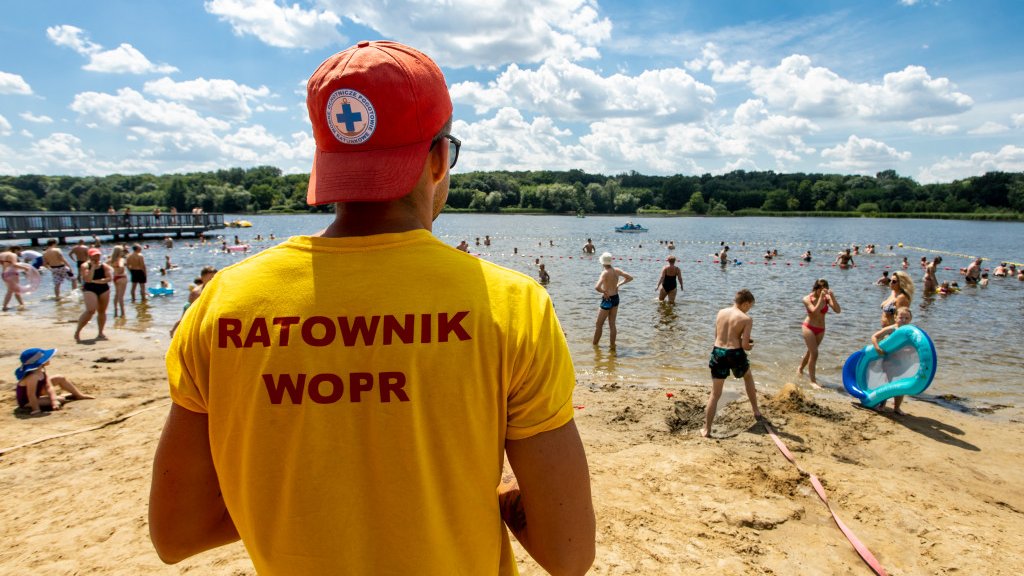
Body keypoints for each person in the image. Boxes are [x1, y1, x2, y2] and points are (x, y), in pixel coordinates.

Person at [150, 41, 594, 576]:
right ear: (437, 159)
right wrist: (484, 495)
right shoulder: (511, 305)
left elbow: (178, 533)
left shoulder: (224, 303)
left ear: (325, 161)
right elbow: (569, 554)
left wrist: (306, 508)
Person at [702, 289, 762, 438]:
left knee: (715, 394)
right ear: (746, 303)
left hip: (718, 352)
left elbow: (717, 336)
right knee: (747, 376)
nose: (749, 309)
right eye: (750, 306)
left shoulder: (721, 312)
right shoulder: (746, 319)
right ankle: (756, 410)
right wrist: (750, 345)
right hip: (734, 353)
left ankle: (706, 430)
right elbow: (745, 346)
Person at [15, 348, 93, 415]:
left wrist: (53, 400)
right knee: (61, 400)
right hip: (27, 401)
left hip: (38, 392)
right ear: (39, 362)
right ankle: (64, 396)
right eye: (46, 358)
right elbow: (31, 395)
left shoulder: (41, 371)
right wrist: (36, 409)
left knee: (60, 378)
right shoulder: (32, 377)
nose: (49, 359)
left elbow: (49, 387)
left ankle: (78, 395)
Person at [870, 306, 914, 415]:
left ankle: (897, 407)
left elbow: (915, 346)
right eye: (901, 317)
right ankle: (882, 404)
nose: (903, 320)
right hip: (888, 360)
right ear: (895, 318)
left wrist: (910, 352)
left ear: (910, 320)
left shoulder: (911, 332)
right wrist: (877, 347)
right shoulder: (892, 328)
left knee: (901, 384)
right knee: (886, 382)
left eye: (906, 318)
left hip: (902, 362)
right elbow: (874, 336)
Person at [797, 279, 841, 389]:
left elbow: (838, 310)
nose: (822, 291)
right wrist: (821, 298)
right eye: (820, 289)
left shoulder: (827, 298)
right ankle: (813, 381)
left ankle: (800, 368)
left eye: (824, 289)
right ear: (816, 288)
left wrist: (832, 297)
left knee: (810, 352)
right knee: (815, 353)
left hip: (821, 329)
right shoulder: (807, 299)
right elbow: (814, 312)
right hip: (808, 327)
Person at [592, 252, 633, 347]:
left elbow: (597, 287)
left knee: (598, 324)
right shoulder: (616, 270)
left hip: (607, 300)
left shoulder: (605, 272)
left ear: (602, 263)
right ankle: (612, 346)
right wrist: (619, 284)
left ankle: (594, 346)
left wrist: (604, 292)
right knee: (612, 324)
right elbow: (630, 278)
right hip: (616, 298)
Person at [74, 248, 112, 341]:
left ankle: (100, 333)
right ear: (90, 256)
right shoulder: (85, 265)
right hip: (90, 289)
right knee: (90, 310)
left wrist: (98, 281)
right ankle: (78, 331)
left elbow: (109, 278)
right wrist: (93, 268)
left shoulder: (104, 266)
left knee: (102, 311)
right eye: (94, 255)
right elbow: (87, 279)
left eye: (98, 255)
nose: (97, 257)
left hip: (103, 289)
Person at [110, 245, 129, 318]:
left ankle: (115, 310)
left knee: (116, 294)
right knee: (121, 296)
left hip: (115, 277)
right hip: (122, 277)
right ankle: (123, 313)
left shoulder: (111, 259)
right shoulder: (121, 259)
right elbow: (121, 267)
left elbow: (105, 264)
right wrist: (123, 266)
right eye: (122, 251)